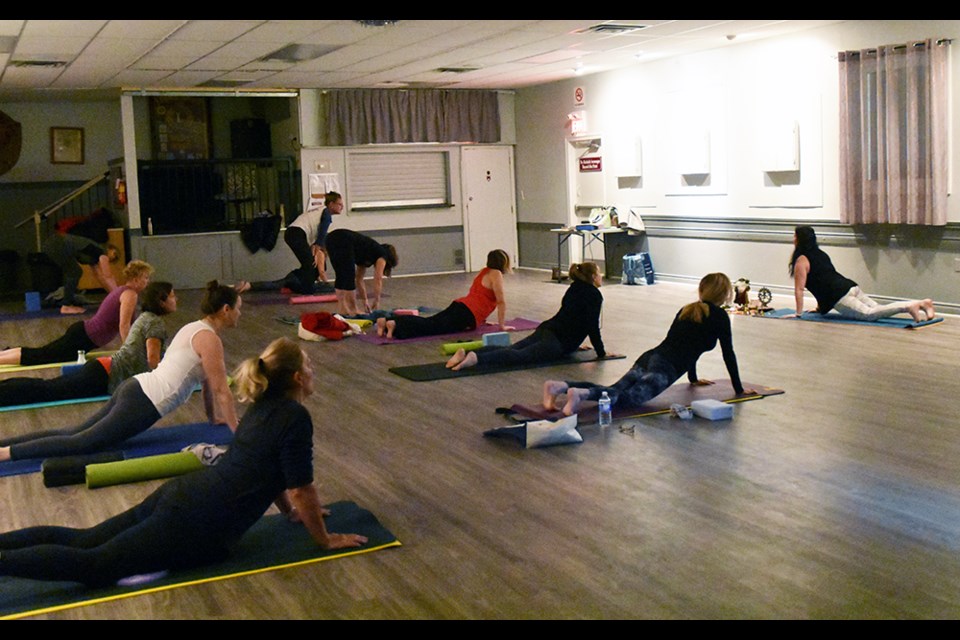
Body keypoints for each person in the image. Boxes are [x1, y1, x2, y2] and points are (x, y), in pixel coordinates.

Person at [0, 337, 367, 587]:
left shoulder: (261, 407)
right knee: (95, 566)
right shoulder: (295, 418)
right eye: (311, 366)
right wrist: (325, 539)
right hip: (199, 523)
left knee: (87, 539)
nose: (314, 372)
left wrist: (288, 512)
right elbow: (301, 488)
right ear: (299, 378)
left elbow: (270, 471)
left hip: (185, 495)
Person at [0, 280, 241, 463]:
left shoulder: (195, 328)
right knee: (82, 442)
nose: (240, 313)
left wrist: (214, 418)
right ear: (226, 309)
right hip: (144, 401)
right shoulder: (209, 340)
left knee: (74, 433)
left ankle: (3, 447)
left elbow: (210, 383)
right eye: (238, 308)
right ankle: (4, 454)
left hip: (135, 387)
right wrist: (236, 432)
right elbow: (222, 391)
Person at [543, 272, 756, 417]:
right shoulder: (719, 317)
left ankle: (560, 386)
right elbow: (728, 353)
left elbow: (687, 344)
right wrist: (738, 389)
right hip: (665, 368)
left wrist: (693, 378)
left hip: (650, 357)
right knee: (628, 399)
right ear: (725, 294)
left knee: (613, 389)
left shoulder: (688, 309)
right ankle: (582, 394)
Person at [0, 282, 177, 408]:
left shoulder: (146, 317)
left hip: (102, 370)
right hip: (105, 374)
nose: (176, 299)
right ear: (161, 302)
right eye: (172, 296)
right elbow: (153, 362)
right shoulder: (155, 324)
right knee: (48, 389)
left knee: (47, 386)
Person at [447, 261, 610, 370]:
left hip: (547, 328)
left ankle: (468, 354)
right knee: (520, 356)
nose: (601, 276)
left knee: (512, 348)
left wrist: (576, 343)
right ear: (593, 277)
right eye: (599, 273)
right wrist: (601, 352)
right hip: (557, 341)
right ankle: (476, 359)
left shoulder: (574, 287)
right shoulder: (594, 295)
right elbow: (591, 325)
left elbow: (571, 316)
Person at [0, 260, 154, 367]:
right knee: (40, 356)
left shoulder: (123, 291)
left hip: (83, 335)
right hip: (82, 337)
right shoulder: (130, 294)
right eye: (145, 278)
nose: (147, 281)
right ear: (135, 278)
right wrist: (130, 351)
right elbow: (124, 325)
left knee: (42, 353)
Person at [788, 225, 935, 322]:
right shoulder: (820, 253)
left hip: (840, 296)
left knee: (870, 315)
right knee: (877, 309)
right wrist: (820, 308)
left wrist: (798, 314)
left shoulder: (801, 260)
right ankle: (923, 304)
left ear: (800, 239)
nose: (793, 239)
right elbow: (824, 279)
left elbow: (799, 289)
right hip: (850, 287)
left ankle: (910, 306)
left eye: (795, 236)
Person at [377, 249, 514, 340]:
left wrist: (482, 319)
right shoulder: (496, 274)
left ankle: (387, 321)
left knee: (430, 321)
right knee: (432, 327)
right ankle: (395, 324)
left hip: (461, 305)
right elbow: (501, 301)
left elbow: (478, 295)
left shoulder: (484, 271)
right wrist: (502, 326)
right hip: (467, 314)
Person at [41, 213, 120, 314]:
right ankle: (66, 306)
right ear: (109, 249)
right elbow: (108, 276)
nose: (114, 257)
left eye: (115, 258)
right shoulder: (100, 251)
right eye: (114, 253)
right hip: (56, 243)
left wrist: (113, 297)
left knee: (74, 272)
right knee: (75, 272)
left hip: (53, 243)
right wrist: (119, 296)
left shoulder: (95, 257)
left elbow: (100, 277)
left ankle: (66, 303)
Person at [325, 229, 398, 316]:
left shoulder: (366, 252)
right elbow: (378, 279)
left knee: (341, 275)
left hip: (330, 239)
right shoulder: (382, 255)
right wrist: (377, 300)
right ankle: (353, 309)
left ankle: (343, 309)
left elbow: (359, 279)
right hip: (343, 239)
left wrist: (365, 300)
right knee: (348, 275)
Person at [285, 191, 343, 293]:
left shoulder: (320, 212)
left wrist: (316, 246)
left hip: (295, 233)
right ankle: (301, 286)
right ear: (331, 204)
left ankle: (295, 280)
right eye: (339, 204)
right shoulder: (326, 213)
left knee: (311, 264)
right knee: (310, 264)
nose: (341, 207)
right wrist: (318, 245)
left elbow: (319, 235)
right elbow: (323, 230)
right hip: (296, 233)